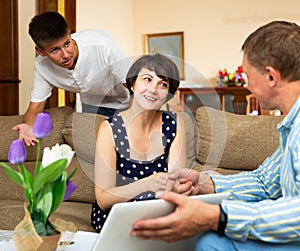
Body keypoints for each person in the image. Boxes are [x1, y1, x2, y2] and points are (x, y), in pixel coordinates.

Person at [130, 20, 300, 250]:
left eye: (248, 75)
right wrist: (204, 183)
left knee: (211, 241)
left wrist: (218, 216)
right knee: (211, 241)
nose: (247, 85)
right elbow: (265, 182)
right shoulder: (291, 126)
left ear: (271, 77)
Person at [91, 53, 188, 233]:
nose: (153, 89)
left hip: (159, 211)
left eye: (163, 84)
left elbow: (175, 186)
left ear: (168, 94)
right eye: (147, 79)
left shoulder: (174, 124)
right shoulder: (109, 129)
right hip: (117, 215)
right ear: (133, 84)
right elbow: (103, 199)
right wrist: (147, 184)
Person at [13, 11, 130, 147]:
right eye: (55, 50)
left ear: (70, 35)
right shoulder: (42, 66)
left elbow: (133, 84)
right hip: (94, 106)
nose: (65, 55)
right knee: (96, 148)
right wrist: (28, 126)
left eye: (67, 44)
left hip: (128, 102)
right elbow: (36, 107)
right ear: (40, 51)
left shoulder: (101, 44)